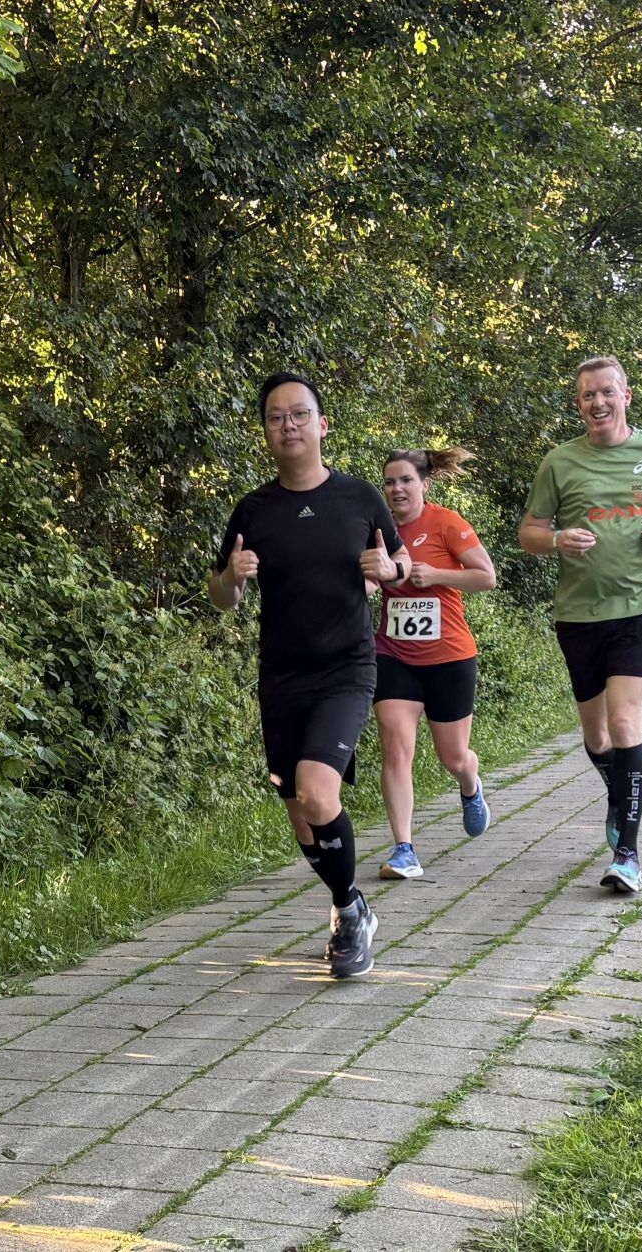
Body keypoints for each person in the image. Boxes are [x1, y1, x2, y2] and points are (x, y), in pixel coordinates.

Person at [209, 372, 411, 979]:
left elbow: (400, 560)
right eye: (276, 417)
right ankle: (351, 904)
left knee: (319, 793)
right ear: (266, 432)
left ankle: (348, 915)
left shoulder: (359, 498)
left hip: (347, 668)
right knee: (299, 809)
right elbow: (221, 596)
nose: (288, 425)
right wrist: (232, 578)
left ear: (322, 425)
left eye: (299, 414)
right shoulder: (254, 510)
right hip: (282, 677)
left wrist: (390, 570)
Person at [519, 355, 642, 895]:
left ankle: (628, 855)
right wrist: (556, 539)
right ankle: (619, 793)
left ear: (625, 395)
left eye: (605, 392)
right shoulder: (559, 462)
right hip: (579, 615)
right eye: (587, 396)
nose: (597, 403)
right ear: (579, 404)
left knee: (624, 724)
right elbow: (529, 532)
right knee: (597, 736)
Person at [374, 447, 498, 881]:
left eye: (406, 480)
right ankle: (404, 849)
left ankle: (470, 782)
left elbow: (486, 576)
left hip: (449, 657)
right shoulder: (379, 529)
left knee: (453, 757)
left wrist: (436, 574)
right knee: (395, 748)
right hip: (394, 655)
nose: (397, 489)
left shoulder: (446, 523)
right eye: (390, 482)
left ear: (424, 484)